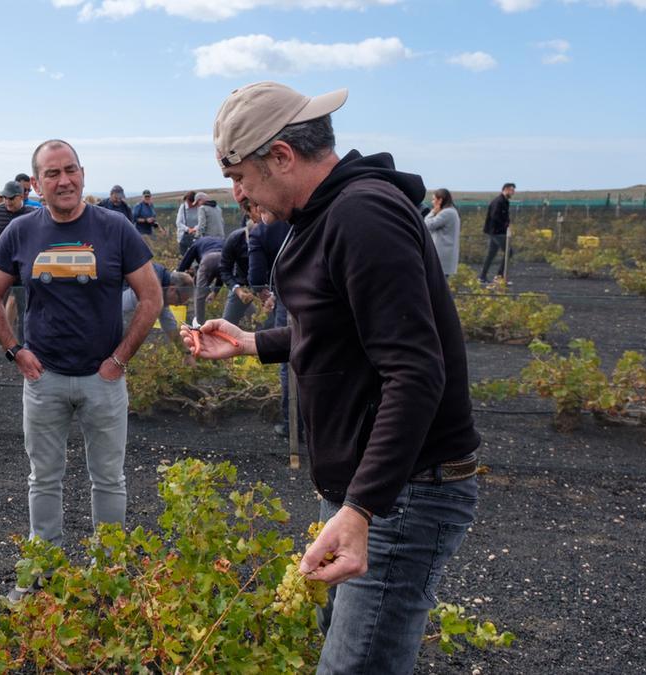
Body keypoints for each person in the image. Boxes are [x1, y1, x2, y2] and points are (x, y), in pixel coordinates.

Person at [186, 81, 480, 674]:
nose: (238, 193)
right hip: (378, 490)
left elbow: (414, 370)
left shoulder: (360, 215)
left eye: (240, 176)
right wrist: (252, 342)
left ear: (282, 156)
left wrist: (362, 509)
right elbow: (351, 331)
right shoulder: (332, 212)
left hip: (405, 492)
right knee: (342, 646)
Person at [0, 139, 161, 601]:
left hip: (104, 380)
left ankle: (110, 575)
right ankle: (42, 573)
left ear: (82, 173)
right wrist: (16, 351)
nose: (64, 180)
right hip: (45, 379)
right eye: (52, 174)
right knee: (44, 478)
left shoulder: (115, 227)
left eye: (71, 170)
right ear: (36, 183)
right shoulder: (21, 231)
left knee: (110, 479)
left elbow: (152, 297)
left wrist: (119, 360)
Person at [246, 203, 293, 436]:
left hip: (287, 296)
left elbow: (256, 278)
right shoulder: (300, 215)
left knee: (289, 358)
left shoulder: (260, 231)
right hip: (323, 293)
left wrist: (267, 295)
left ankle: (292, 425)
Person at [0, 181, 35, 361]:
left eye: (11, 198)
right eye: (5, 197)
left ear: (21, 197)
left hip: (22, 271)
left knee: (26, 311)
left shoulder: (32, 215)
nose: (7, 201)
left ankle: (26, 349)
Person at [122, 262, 192, 344]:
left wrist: (186, 352)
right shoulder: (152, 284)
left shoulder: (161, 288)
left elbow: (168, 322)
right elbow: (124, 308)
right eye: (179, 301)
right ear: (173, 289)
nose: (176, 305)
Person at [176, 235, 225, 323]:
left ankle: (199, 324)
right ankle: (252, 317)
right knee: (235, 291)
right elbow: (221, 275)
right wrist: (215, 291)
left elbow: (186, 262)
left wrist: (177, 274)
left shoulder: (197, 242)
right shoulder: (220, 240)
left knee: (200, 294)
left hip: (208, 259)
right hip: (224, 258)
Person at [218, 226, 255, 326]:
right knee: (227, 324)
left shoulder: (272, 237)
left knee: (272, 323)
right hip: (242, 284)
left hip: (268, 285)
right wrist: (238, 290)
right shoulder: (235, 239)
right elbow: (224, 269)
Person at [480, 183, 515, 283]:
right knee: (509, 252)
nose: (513, 193)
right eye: (512, 190)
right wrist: (505, 225)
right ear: (506, 189)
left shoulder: (505, 201)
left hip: (497, 231)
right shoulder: (498, 201)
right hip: (496, 232)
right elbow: (495, 216)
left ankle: (482, 276)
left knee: (491, 253)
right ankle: (500, 276)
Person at [425, 188, 461, 278]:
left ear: (440, 200)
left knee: (437, 286)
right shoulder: (452, 211)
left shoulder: (447, 212)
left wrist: (433, 212)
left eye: (434, 199)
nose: (432, 202)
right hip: (445, 256)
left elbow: (427, 224)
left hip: (442, 256)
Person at [174, 190, 199, 255]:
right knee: (184, 257)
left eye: (189, 203)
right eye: (187, 202)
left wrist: (195, 229)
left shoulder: (199, 208)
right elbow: (178, 222)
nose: (188, 204)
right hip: (183, 237)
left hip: (196, 236)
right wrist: (188, 229)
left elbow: (201, 222)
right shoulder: (183, 207)